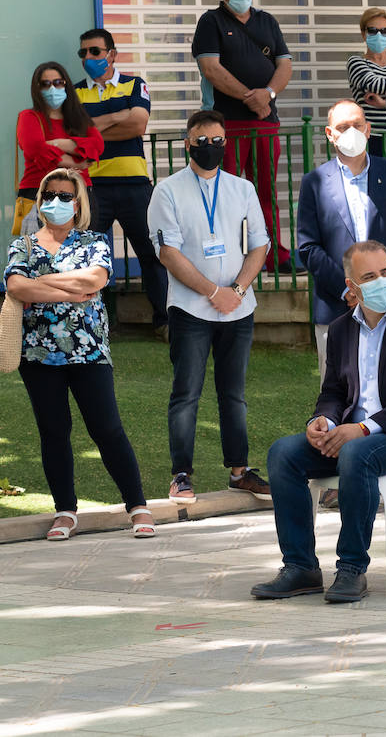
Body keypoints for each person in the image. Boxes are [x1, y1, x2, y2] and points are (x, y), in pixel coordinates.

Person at [252, 240, 386, 603]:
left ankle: (351, 568)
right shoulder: (340, 330)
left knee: (357, 455)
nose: (382, 280)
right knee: (283, 453)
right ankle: (300, 567)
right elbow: (334, 390)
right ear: (351, 287)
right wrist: (323, 420)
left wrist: (364, 428)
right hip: (353, 434)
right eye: (370, 276)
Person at [4, 168, 153, 542]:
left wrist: (43, 283)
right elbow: (17, 286)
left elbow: (95, 280)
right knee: (54, 432)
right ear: (40, 200)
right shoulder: (22, 245)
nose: (56, 202)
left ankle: (137, 505)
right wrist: (68, 291)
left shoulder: (93, 241)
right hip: (37, 355)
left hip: (89, 350)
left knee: (107, 428)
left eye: (65, 196)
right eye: (50, 194)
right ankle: (65, 511)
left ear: (79, 202)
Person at [148, 110, 272, 505]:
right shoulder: (167, 191)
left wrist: (235, 289)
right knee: (187, 392)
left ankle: (239, 471)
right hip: (190, 309)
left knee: (233, 393)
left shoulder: (242, 188)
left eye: (218, 140)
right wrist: (211, 292)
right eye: (202, 141)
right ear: (188, 143)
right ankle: (181, 475)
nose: (211, 148)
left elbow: (259, 244)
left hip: (238, 306)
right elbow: (168, 253)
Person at [297, 101, 386, 375]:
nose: (351, 131)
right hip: (337, 304)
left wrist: (382, 280)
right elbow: (308, 247)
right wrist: (349, 289)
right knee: (336, 392)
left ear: (368, 129)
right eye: (342, 127)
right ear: (330, 134)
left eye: (356, 125)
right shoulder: (313, 183)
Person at [191, 0, 296, 272]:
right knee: (229, 193)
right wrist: (251, 98)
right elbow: (211, 68)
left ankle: (274, 254)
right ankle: (236, 257)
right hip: (227, 124)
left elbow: (285, 65)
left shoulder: (267, 21)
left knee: (266, 190)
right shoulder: (211, 21)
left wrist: (269, 95)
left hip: (265, 122)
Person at [74, 28, 169, 340]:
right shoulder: (74, 94)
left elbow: (138, 123)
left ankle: (165, 321)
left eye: (95, 52)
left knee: (152, 255)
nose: (88, 58)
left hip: (135, 185)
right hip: (92, 188)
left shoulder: (134, 84)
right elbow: (78, 137)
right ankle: (92, 326)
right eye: (83, 53)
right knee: (89, 260)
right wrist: (119, 116)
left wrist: (95, 131)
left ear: (112, 54)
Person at [15, 62, 103, 235]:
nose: (53, 88)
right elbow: (35, 149)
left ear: (66, 84)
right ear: (37, 88)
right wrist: (75, 160)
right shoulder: (29, 116)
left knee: (80, 255)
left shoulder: (79, 119)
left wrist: (57, 143)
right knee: (41, 256)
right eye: (45, 84)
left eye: (58, 82)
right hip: (39, 194)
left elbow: (97, 145)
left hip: (79, 195)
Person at [345, 7, 386, 171]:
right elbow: (375, 84)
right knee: (376, 191)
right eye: (373, 30)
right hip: (372, 138)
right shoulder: (356, 62)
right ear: (363, 34)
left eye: (384, 31)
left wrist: (385, 103)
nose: (379, 35)